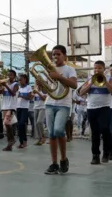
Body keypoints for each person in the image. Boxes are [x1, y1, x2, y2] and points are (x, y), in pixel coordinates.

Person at [43, 45, 77, 175]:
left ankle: (63, 158)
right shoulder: (49, 70)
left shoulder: (69, 69)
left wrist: (59, 77)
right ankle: (54, 163)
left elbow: (74, 84)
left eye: (58, 54)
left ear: (64, 55)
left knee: (58, 130)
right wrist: (41, 83)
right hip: (49, 103)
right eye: (54, 55)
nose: (55, 57)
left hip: (64, 103)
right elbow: (45, 89)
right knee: (51, 133)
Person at [78, 61, 112, 164]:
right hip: (91, 108)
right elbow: (81, 93)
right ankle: (95, 155)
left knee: (105, 129)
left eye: (99, 68)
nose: (97, 70)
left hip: (104, 108)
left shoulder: (109, 79)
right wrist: (91, 83)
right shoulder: (90, 79)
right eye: (95, 68)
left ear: (104, 69)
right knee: (95, 132)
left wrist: (106, 82)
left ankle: (106, 152)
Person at [0, 70, 19, 151]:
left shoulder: (16, 84)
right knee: (6, 125)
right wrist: (1, 86)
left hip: (11, 106)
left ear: (14, 76)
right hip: (4, 106)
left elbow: (13, 94)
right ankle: (9, 144)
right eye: (8, 75)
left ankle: (12, 140)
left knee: (7, 123)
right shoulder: (6, 84)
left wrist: (6, 86)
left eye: (11, 75)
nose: (9, 77)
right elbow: (1, 93)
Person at [16, 74, 32, 148]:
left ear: (25, 79)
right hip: (18, 107)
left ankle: (24, 140)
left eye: (21, 79)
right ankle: (21, 142)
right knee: (19, 125)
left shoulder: (28, 87)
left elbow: (29, 98)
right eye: (19, 79)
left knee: (22, 124)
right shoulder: (18, 88)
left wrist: (21, 96)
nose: (20, 80)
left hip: (25, 108)